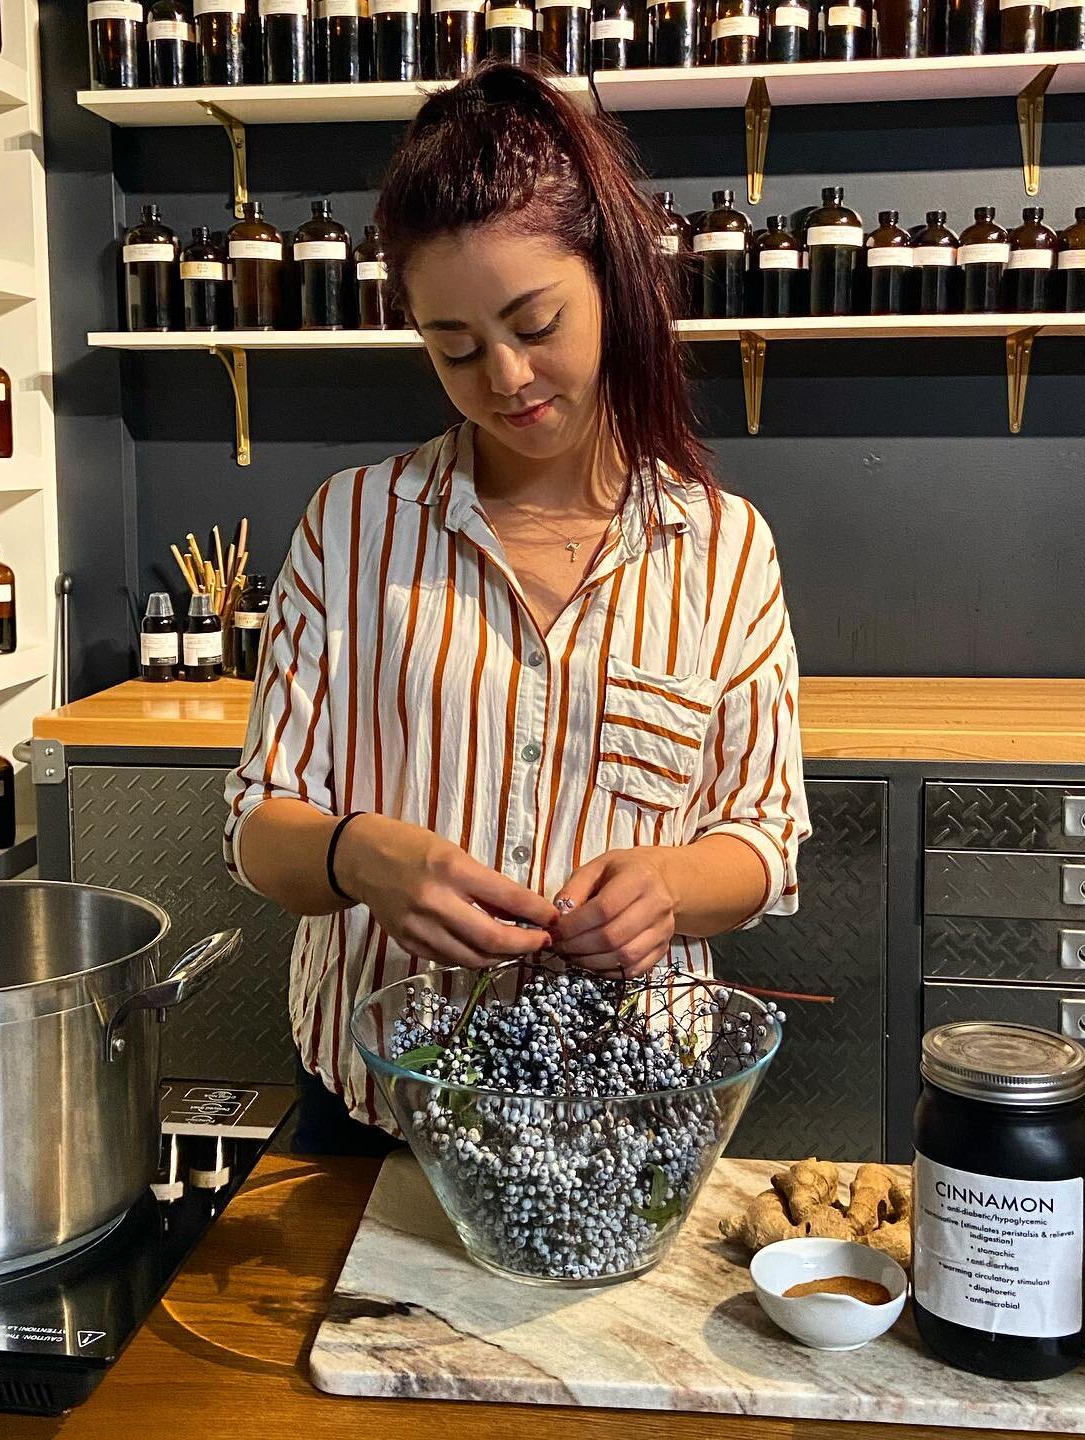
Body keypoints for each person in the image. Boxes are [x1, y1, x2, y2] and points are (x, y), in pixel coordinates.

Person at [223, 62, 810, 1153]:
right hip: (387, 1099)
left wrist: (666, 889)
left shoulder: (725, 551)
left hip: (626, 1102)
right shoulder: (354, 529)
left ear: (615, 284)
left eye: (535, 322)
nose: (504, 376)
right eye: (453, 346)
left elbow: (764, 842)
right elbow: (259, 824)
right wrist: (358, 854)